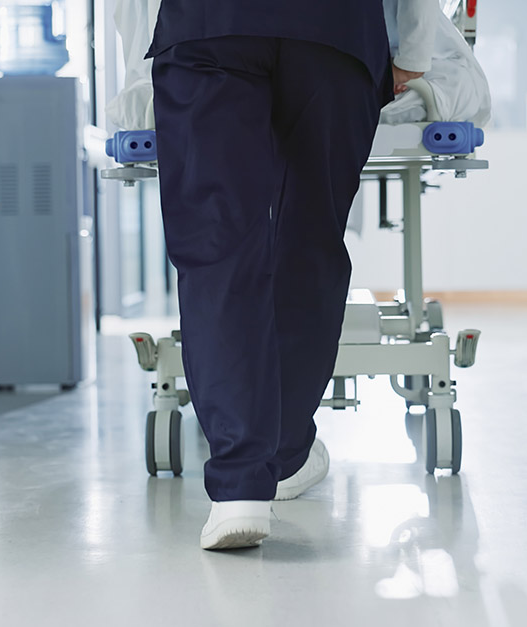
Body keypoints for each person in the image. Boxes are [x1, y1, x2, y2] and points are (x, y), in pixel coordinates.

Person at [147, 0, 436, 550]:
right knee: (309, 239)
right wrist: (412, 50)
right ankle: (282, 455)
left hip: (208, 28)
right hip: (333, 31)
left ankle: (240, 488)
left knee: (219, 245)